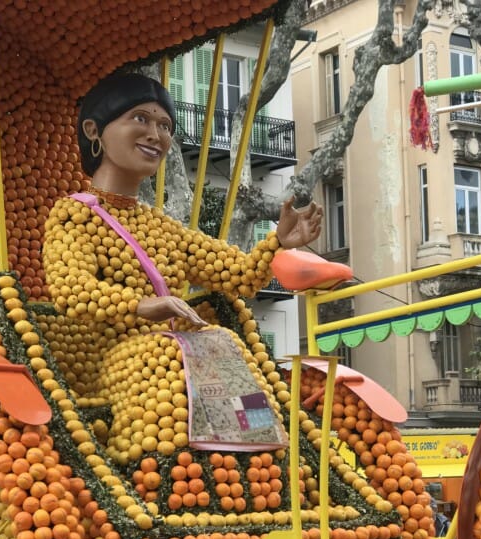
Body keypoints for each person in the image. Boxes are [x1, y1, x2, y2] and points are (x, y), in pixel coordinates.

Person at [42, 72, 330, 465]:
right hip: (105, 362)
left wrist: (277, 241)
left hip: (175, 351)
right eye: (140, 119)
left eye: (164, 126)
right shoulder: (74, 215)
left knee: (221, 343)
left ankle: (258, 467)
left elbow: (240, 275)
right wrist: (143, 306)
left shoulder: (162, 227)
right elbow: (70, 287)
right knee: (170, 357)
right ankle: (160, 471)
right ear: (94, 130)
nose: (155, 135)